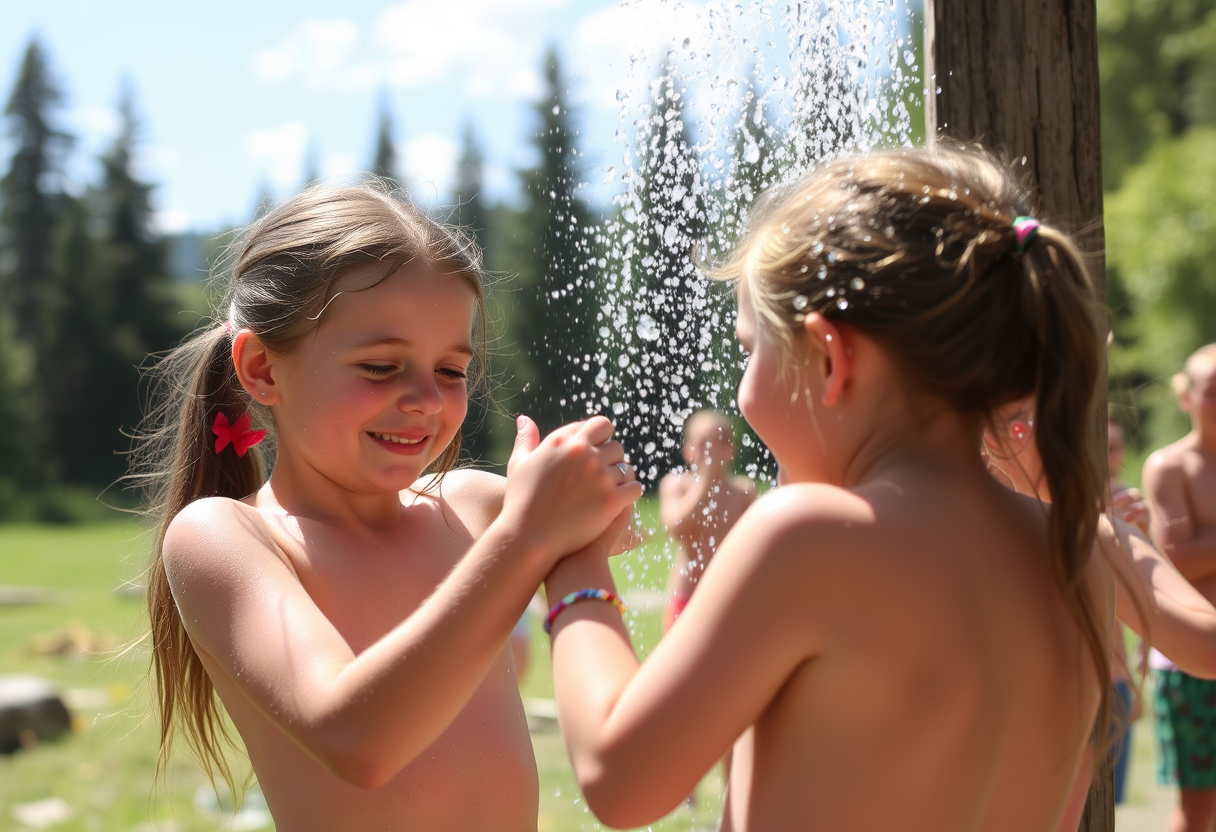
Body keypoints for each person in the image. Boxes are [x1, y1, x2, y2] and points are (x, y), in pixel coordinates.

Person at [540, 144, 1121, 831]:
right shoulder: (1081, 556)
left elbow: (617, 775)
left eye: (751, 349)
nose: (743, 388)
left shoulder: (809, 536)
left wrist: (569, 554)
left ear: (829, 356)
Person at [133, 183, 642, 830]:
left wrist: (598, 504)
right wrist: (529, 537)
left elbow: (601, 541)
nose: (426, 400)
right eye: (380, 367)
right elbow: (355, 737)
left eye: (452, 371)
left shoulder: (474, 508)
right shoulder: (226, 537)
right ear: (262, 368)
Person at [985, 402, 1216, 828]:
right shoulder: (1086, 533)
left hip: (1109, 688)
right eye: (1083, 435)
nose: (1100, 455)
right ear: (1010, 431)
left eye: (1110, 445)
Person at [1143, 344, 1216, 832]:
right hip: (1189, 660)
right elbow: (1175, 560)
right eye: (1212, 392)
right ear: (1186, 398)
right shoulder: (1170, 467)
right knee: (1197, 811)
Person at [660, 410, 756, 631]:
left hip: (730, 597)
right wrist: (706, 482)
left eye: (718, 442)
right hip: (687, 595)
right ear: (688, 451)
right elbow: (676, 527)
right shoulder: (677, 485)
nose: (710, 451)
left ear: (731, 450)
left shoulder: (742, 492)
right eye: (703, 443)